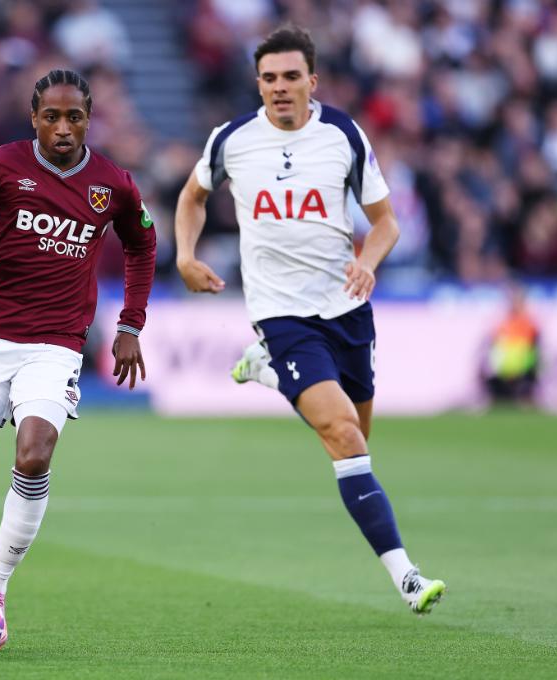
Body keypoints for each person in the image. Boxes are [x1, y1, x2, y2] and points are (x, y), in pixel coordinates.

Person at [174, 26, 446, 615]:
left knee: (354, 444)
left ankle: (268, 373)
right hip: (280, 313)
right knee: (343, 433)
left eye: (291, 76)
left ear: (312, 81)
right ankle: (406, 576)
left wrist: (367, 264)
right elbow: (192, 197)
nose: (280, 87)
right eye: (269, 78)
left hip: (347, 310)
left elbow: (386, 223)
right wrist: (185, 256)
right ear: (258, 84)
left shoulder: (343, 134)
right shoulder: (232, 140)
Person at [0, 69, 156, 630]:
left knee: (33, 456)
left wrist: (130, 324)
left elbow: (142, 244)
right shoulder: (0, 165)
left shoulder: (113, 184)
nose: (63, 128)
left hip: (56, 345)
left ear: (89, 120)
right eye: (51, 117)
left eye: (74, 117)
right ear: (34, 118)